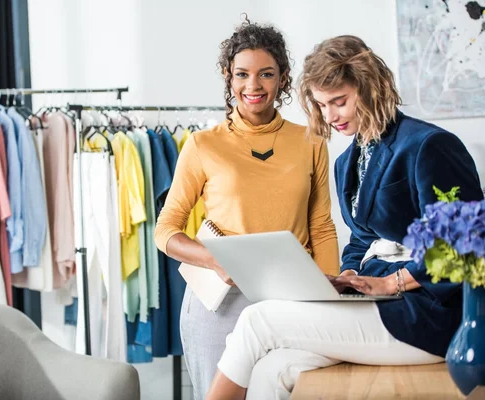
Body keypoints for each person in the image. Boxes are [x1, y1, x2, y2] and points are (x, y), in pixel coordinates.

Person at [205, 34, 484, 400]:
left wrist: (392, 282)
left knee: (257, 320)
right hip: (377, 301)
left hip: (427, 316)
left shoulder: (427, 145)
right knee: (271, 369)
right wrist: (350, 275)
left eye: (339, 102)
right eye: (321, 105)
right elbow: (360, 238)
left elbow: (468, 242)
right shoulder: (345, 162)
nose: (329, 116)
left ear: (369, 89)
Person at [153, 18, 340, 400]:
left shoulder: (311, 141)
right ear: (228, 76)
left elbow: (321, 226)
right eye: (242, 74)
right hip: (220, 302)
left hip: (293, 297)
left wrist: (328, 298)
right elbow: (165, 231)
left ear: (284, 78)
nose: (253, 86)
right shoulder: (202, 144)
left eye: (266, 74)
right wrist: (215, 260)